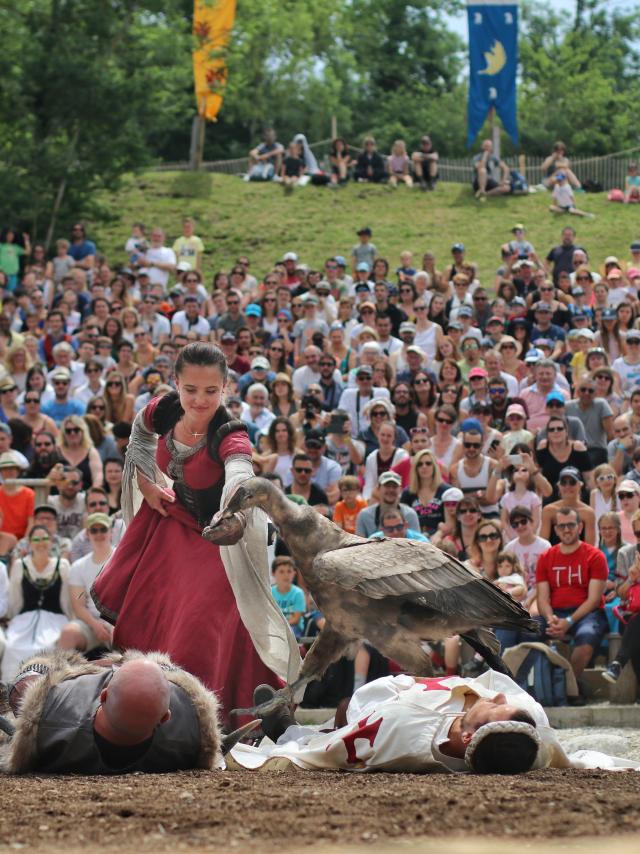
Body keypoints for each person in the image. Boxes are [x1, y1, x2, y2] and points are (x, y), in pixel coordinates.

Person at [91, 343, 300, 726]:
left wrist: (233, 506)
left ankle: (201, 714)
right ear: (176, 384)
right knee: (158, 610)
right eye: (190, 390)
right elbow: (139, 434)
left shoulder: (231, 433)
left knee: (201, 624)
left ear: (225, 389)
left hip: (224, 535)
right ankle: (148, 702)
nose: (199, 400)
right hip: (173, 523)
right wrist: (147, 484)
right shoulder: (164, 408)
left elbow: (240, 472)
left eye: (210, 391)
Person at [232, 670, 587, 774]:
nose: (497, 699)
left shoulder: (402, 727)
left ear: (467, 735)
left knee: (341, 719)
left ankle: (288, 729)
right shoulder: (530, 734)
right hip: (422, 699)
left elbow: (326, 755)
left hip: (388, 707)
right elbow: (554, 749)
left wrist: (283, 746)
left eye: (494, 709)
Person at [1, 650, 222, 774]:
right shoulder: (188, 736)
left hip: (63, 697)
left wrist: (39, 672)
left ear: (104, 695)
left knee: (26, 685)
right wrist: (130, 663)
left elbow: (28, 683)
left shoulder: (51, 720)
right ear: (166, 716)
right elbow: (182, 679)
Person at [536, 506, 608, 684]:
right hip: (555, 613)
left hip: (586, 614)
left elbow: (594, 600)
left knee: (586, 638)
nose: (566, 529)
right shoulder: (546, 557)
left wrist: (569, 621)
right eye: (561, 526)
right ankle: (534, 687)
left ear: (580, 527)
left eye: (570, 525)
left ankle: (569, 687)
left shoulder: (595, 556)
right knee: (525, 631)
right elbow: (542, 598)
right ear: (556, 529)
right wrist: (550, 618)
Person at [1, 524, 72, 681]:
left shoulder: (62, 566)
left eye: (45, 538)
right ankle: (10, 693)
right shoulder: (20, 565)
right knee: (13, 647)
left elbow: (66, 600)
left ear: (51, 542)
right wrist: (12, 619)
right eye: (37, 539)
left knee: (49, 647)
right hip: (24, 620)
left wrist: (70, 621)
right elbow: (15, 598)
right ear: (30, 543)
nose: (41, 542)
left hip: (55, 620)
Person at [57, 513, 115, 654]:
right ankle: (64, 675)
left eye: (103, 529)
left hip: (119, 621)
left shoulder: (123, 558)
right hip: (90, 623)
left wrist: (112, 625)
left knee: (120, 633)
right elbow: (78, 606)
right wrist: (95, 626)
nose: (99, 534)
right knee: (67, 634)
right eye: (94, 530)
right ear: (87, 534)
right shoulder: (78, 566)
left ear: (111, 532)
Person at [504, 506, 550, 607]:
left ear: (532, 521)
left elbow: (547, 577)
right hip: (516, 594)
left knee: (534, 613)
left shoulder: (545, 546)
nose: (520, 526)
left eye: (523, 521)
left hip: (539, 594)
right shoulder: (509, 548)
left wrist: (530, 599)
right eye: (515, 524)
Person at [355, 471, 420, 538]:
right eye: (387, 486)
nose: (391, 490)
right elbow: (359, 545)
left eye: (394, 486)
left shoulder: (410, 514)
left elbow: (417, 542)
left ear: (400, 490)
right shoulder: (364, 515)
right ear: (378, 489)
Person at [0, 450, 34, 538]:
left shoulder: (29, 494)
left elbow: (31, 522)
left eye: (12, 468)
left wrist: (23, 544)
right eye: (5, 469)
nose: (8, 472)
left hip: (22, 543)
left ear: (18, 471)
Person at [271, 555, 306, 639]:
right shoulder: (270, 592)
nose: (286, 575)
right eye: (281, 571)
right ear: (273, 573)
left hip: (293, 627)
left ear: (294, 573)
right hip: (274, 628)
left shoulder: (298, 593)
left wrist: (280, 627)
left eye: (289, 571)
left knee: (286, 636)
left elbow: (296, 618)